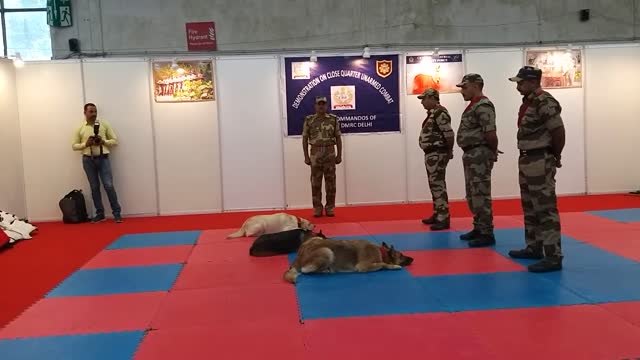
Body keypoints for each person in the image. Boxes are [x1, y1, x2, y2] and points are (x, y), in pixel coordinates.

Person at [507, 66, 565, 272]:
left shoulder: (545, 101)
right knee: (530, 206)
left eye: (520, 83)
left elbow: (558, 131)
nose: (518, 87)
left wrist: (554, 155)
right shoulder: (529, 102)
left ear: (532, 82)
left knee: (545, 208)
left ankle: (553, 256)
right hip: (527, 159)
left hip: (540, 158)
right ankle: (534, 247)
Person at [455, 74, 499, 247]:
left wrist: (492, 150)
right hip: (471, 154)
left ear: (476, 85)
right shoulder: (473, 106)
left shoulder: (483, 105)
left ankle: (487, 232)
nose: (462, 91)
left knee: (481, 193)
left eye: (464, 87)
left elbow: (490, 133)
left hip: (479, 154)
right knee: (473, 194)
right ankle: (479, 227)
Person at [71, 103, 123, 223]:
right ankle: (100, 214)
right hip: (88, 160)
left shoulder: (104, 125)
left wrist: (103, 141)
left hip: (103, 158)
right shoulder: (80, 128)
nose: (94, 114)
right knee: (94, 187)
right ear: (85, 113)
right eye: (91, 112)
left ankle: (117, 213)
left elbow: (115, 141)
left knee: (109, 186)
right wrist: (86, 144)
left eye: (95, 112)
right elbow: (74, 146)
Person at [417, 88, 454, 230]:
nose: (422, 102)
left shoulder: (440, 112)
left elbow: (449, 134)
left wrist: (449, 151)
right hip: (432, 154)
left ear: (433, 98)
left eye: (424, 99)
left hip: (437, 153)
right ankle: (438, 212)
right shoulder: (433, 113)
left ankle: (443, 217)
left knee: (438, 184)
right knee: (434, 184)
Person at [302, 96, 342, 217]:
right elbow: (304, 139)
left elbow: (338, 138)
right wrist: (306, 157)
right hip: (315, 153)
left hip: (329, 152)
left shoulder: (333, 119)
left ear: (326, 105)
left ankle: (330, 208)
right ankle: (317, 208)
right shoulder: (309, 120)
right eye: (319, 104)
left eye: (323, 104)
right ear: (315, 106)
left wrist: (339, 155)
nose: (321, 106)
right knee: (315, 183)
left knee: (331, 183)